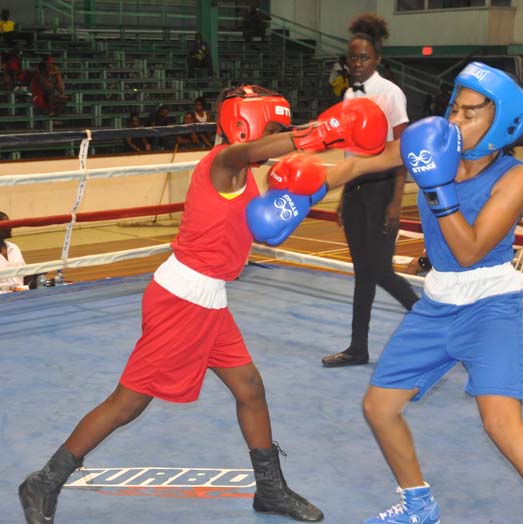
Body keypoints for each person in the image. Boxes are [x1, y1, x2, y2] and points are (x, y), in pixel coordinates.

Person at [18, 84, 389, 524]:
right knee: (128, 403)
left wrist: (405, 151)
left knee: (249, 387)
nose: (276, 137)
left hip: (208, 300)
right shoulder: (223, 163)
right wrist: (318, 132)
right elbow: (248, 152)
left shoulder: (249, 177)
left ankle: (269, 489)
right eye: (271, 128)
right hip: (180, 301)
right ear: (244, 125)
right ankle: (43, 481)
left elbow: (334, 175)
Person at [322, 62, 523, 523]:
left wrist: (436, 182)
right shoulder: (431, 144)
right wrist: (300, 190)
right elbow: (361, 163)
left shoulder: (515, 177)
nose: (455, 122)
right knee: (379, 407)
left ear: (500, 122)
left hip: (489, 307)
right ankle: (419, 505)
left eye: (470, 113)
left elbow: (468, 250)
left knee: (502, 425)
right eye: (453, 109)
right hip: (437, 303)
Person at [321, 13, 418, 368]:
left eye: (363, 57)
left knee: (379, 270)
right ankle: (358, 349)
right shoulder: (348, 94)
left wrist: (396, 200)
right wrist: (344, 196)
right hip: (356, 189)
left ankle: (433, 323)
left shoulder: (391, 93)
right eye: (352, 58)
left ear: (377, 59)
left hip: (382, 189)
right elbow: (351, 152)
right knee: (363, 273)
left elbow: (402, 148)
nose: (357, 64)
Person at [0, 211, 26, 293]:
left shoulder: (14, 248)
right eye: (6, 224)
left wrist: (37, 273)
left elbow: (24, 275)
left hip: (22, 295)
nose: (10, 227)